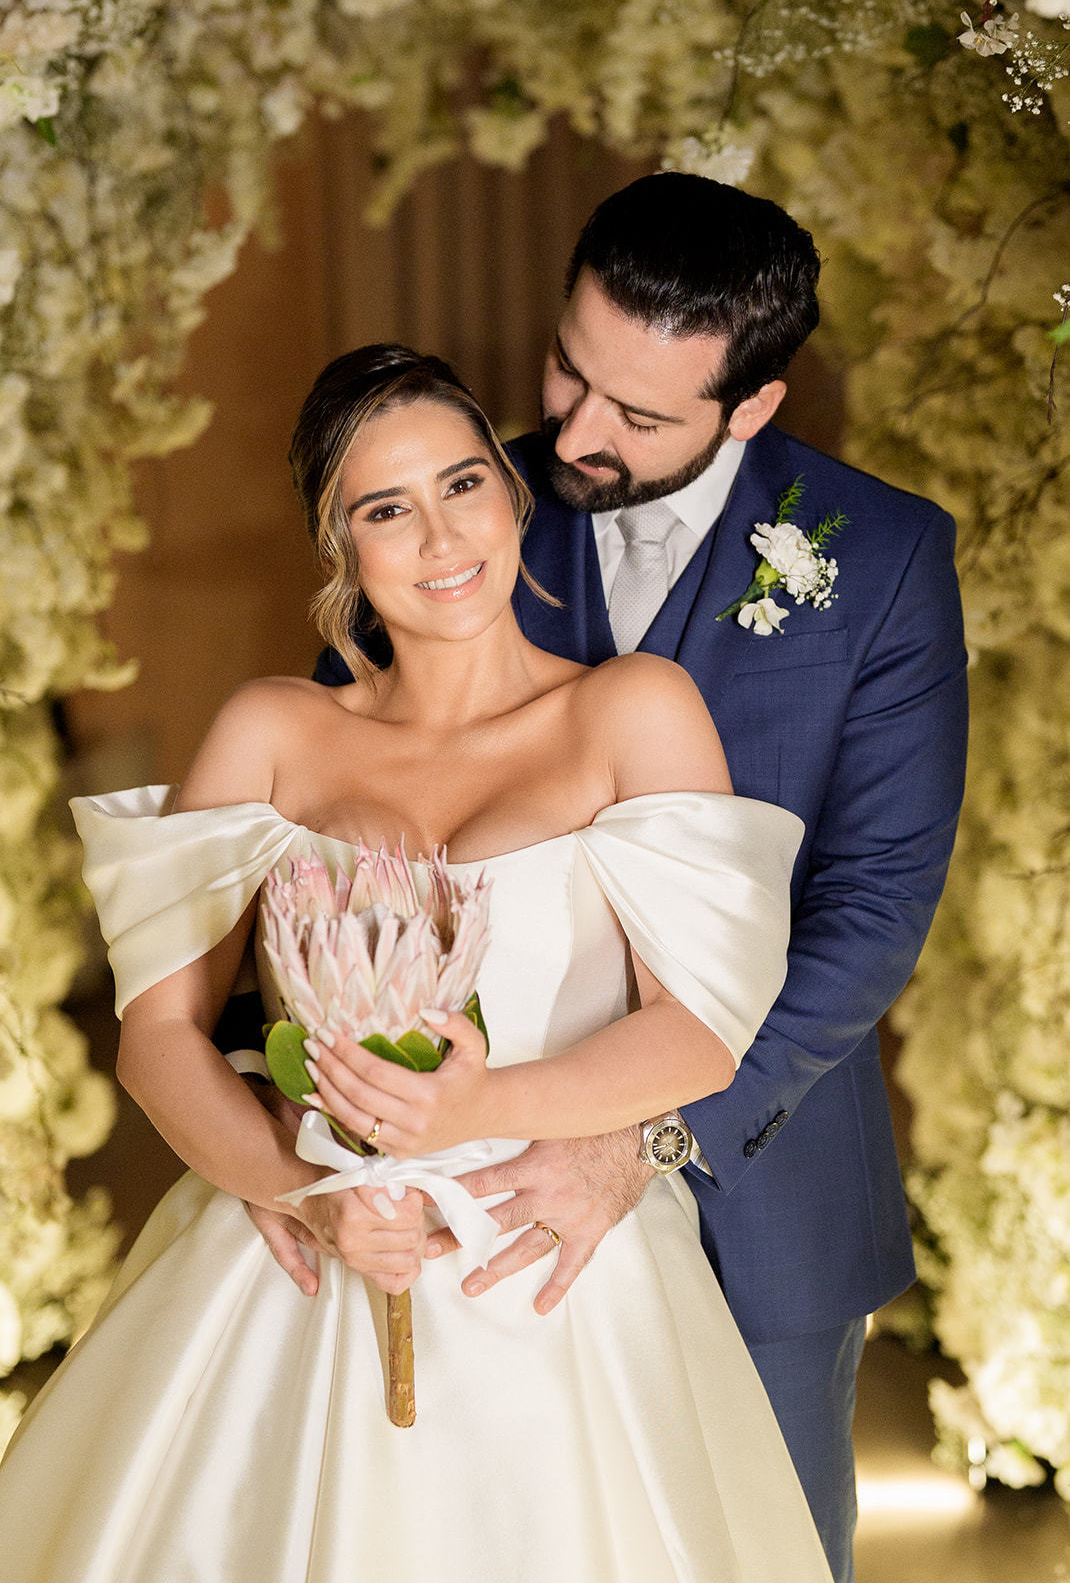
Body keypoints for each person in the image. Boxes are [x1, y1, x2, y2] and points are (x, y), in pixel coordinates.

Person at [0, 345, 834, 1581]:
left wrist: (479, 1106)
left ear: (509, 490)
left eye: (461, 484)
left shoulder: (630, 711)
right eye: (385, 509)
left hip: (550, 1265)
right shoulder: (272, 730)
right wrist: (302, 1189)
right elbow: (159, 1035)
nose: (441, 537)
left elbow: (698, 1032)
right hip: (304, 1255)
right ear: (337, 544)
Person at [297, 175, 970, 1583]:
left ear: (751, 407)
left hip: (762, 1191)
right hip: (465, 1203)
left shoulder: (885, 558)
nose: (575, 436)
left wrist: (643, 1134)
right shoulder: (449, 509)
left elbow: (869, 908)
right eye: (568, 370)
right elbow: (332, 834)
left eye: (640, 417)